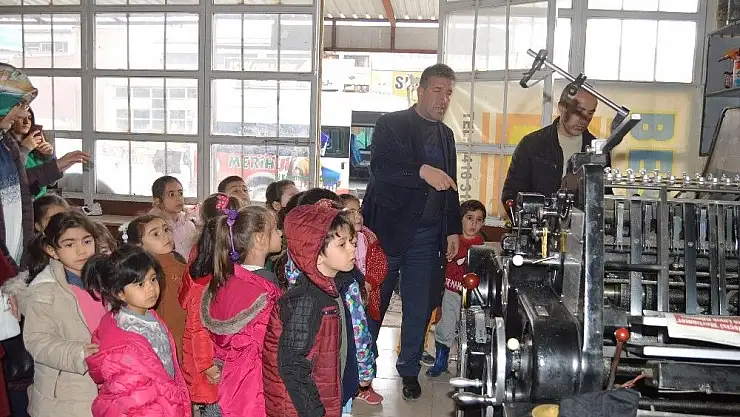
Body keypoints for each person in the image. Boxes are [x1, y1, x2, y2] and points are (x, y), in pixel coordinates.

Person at [361, 63, 462, 400]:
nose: (443, 99)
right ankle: (363, 370)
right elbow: (381, 167)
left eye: (449, 93)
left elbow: (450, 187)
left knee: (419, 309)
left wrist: (452, 229)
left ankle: (408, 369)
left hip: (428, 236)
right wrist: (421, 170)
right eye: (437, 90)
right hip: (386, 232)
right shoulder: (391, 124)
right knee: (375, 305)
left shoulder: (447, 136)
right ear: (420, 91)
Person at [262, 202, 361, 417]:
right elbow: (291, 364)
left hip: (323, 396)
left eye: (352, 242)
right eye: (342, 244)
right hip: (300, 408)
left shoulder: (336, 287)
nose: (353, 248)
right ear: (316, 254)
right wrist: (314, 411)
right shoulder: (306, 300)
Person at [3, 211, 105, 417]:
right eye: (69, 244)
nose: (81, 250)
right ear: (52, 250)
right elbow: (37, 341)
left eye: (86, 241)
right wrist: (78, 353)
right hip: (64, 399)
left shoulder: (105, 281)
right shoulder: (44, 291)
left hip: (105, 386)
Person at [83, 245, 191, 417]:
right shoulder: (125, 345)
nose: (151, 288)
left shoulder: (148, 315)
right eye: (140, 284)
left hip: (165, 400)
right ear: (119, 293)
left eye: (153, 279)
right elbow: (136, 401)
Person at [0, 63, 89, 271]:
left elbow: (22, 185)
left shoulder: (6, 143)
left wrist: (57, 166)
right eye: (18, 104)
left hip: (13, 255)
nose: (22, 115)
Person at [201, 204, 282, 417]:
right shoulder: (266, 289)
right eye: (275, 229)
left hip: (227, 380)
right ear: (260, 239)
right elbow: (273, 344)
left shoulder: (224, 282)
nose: (280, 233)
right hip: (256, 385)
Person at [178, 194, 242, 417]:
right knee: (216, 408)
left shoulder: (205, 256)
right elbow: (198, 326)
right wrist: (207, 365)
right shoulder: (206, 278)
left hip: (219, 357)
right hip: (210, 362)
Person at [501, 82, 602, 208]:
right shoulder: (531, 145)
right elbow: (511, 195)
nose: (584, 120)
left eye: (590, 113)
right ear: (562, 107)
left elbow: (603, 197)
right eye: (578, 111)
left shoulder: (598, 151)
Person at [426, 200, 486, 377]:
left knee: (473, 328)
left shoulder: (483, 245)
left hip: (473, 296)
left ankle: (472, 364)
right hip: (452, 292)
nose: (474, 224)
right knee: (446, 325)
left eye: (479, 220)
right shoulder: (453, 240)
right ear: (460, 219)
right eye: (469, 218)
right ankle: (441, 360)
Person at [339, 193, 386, 406]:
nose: (357, 216)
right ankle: (352, 384)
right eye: (350, 211)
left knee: (368, 342)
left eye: (358, 211)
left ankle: (365, 385)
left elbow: (381, 263)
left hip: (367, 302)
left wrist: (369, 282)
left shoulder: (369, 237)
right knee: (349, 345)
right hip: (348, 304)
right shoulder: (337, 242)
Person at [123, 214, 187, 363]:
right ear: (140, 246)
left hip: (188, 336)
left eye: (166, 229)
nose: (165, 236)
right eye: (155, 234)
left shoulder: (179, 264)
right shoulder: (151, 278)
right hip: (173, 345)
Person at [9, 107, 55, 198]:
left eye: (30, 118)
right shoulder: (5, 144)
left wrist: (49, 157)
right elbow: (10, 176)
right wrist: (25, 149)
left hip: (41, 201)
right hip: (21, 201)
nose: (26, 122)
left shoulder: (38, 144)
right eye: (21, 117)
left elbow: (52, 183)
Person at [149, 175, 198, 260]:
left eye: (180, 193)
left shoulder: (188, 222)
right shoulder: (153, 228)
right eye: (171, 195)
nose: (179, 198)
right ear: (158, 200)